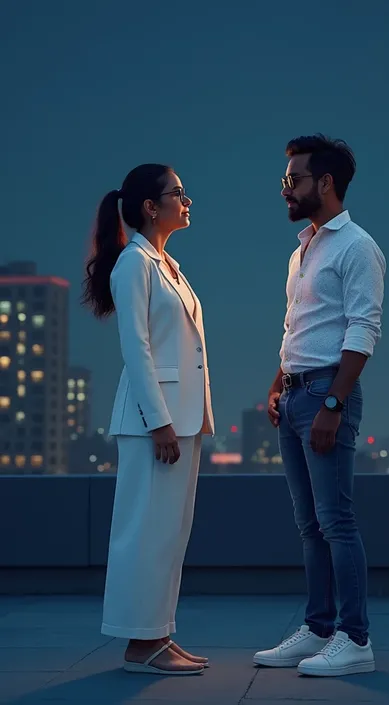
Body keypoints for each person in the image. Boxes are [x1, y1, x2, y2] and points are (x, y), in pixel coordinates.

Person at [253, 135, 386, 677]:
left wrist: (333, 401)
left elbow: (363, 328)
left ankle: (355, 640)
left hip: (328, 394)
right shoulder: (303, 247)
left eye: (294, 180)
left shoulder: (357, 246)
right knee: (309, 525)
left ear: (324, 183)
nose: (285, 189)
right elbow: (299, 326)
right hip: (296, 395)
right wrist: (277, 382)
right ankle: (318, 627)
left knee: (337, 522)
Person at [82, 163, 214, 676]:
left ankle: (158, 634)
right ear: (149, 207)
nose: (186, 200)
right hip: (153, 424)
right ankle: (139, 644)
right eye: (177, 193)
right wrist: (158, 421)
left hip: (181, 420)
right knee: (144, 532)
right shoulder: (134, 264)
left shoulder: (166, 264)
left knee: (169, 533)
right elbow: (134, 349)